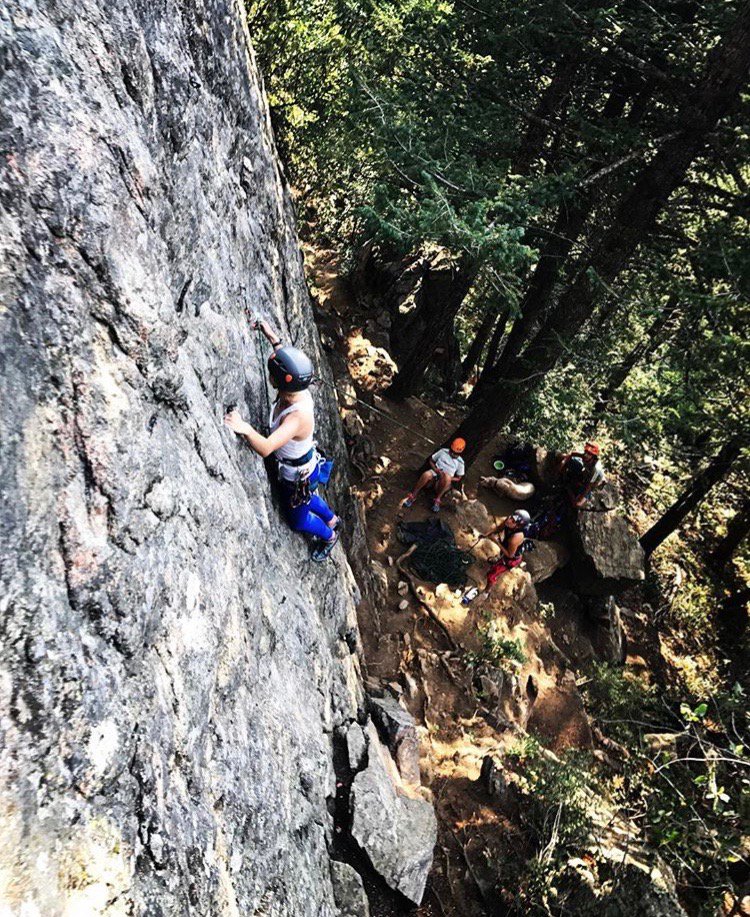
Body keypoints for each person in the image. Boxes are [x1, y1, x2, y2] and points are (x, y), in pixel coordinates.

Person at [224, 318, 339, 562]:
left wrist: (243, 427)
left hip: (299, 476)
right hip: (307, 471)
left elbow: (266, 448)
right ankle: (332, 519)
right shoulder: (296, 385)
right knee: (310, 497)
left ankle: (329, 535)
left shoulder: (297, 417)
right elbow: (283, 353)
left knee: (298, 520)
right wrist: (269, 334)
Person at [462, 510, 530, 603]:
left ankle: (486, 592)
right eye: (511, 517)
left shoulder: (516, 538)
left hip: (512, 558)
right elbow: (498, 528)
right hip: (506, 548)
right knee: (500, 557)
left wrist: (496, 541)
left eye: (513, 521)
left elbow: (510, 555)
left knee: (491, 574)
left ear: (517, 526)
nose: (509, 520)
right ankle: (498, 560)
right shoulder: (508, 521)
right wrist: (486, 535)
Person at [403, 439, 466, 513]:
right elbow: (431, 460)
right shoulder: (443, 452)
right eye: (451, 452)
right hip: (435, 473)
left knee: (447, 478)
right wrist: (436, 470)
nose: (452, 454)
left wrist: (448, 478)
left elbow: (458, 478)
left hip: (444, 482)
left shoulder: (460, 463)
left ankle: (437, 500)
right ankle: (413, 495)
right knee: (427, 474)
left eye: (455, 454)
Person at [560, 442, 607, 508]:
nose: (586, 455)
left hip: (591, 483)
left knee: (577, 504)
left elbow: (589, 486)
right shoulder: (585, 456)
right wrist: (563, 464)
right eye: (586, 452)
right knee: (572, 462)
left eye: (589, 454)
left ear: (593, 456)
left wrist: (578, 499)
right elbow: (572, 454)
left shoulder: (596, 469)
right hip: (585, 473)